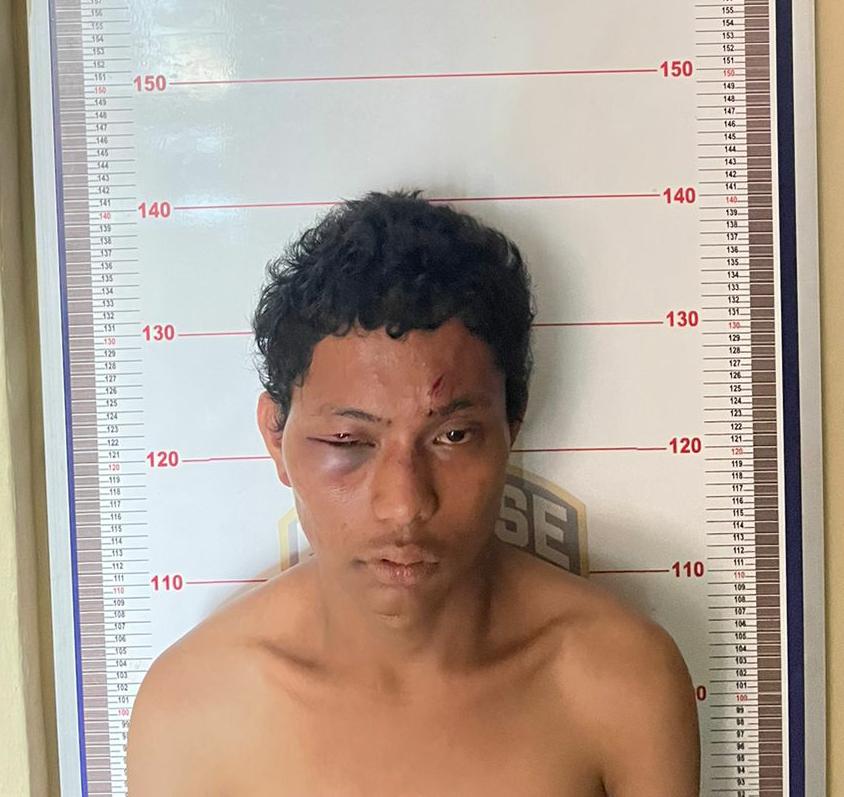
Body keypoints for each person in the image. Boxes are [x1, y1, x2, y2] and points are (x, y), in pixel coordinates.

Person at [127, 190, 700, 795]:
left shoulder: (619, 682)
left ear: (512, 424)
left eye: (452, 436)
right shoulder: (192, 710)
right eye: (348, 440)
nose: (404, 505)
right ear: (276, 436)